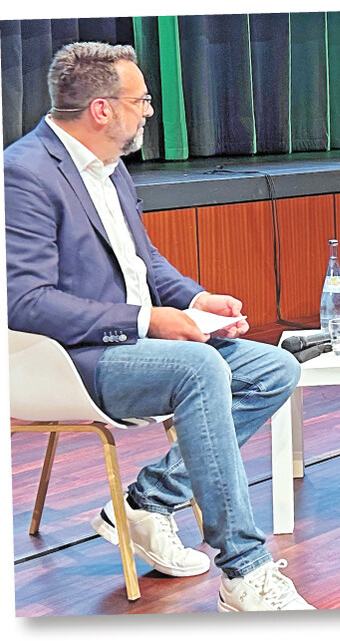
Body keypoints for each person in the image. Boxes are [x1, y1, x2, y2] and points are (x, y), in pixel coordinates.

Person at [4, 42, 313, 612]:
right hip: (70, 360)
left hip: (133, 343)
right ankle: (244, 573)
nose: (148, 111)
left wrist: (197, 299)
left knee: (275, 367)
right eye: (140, 100)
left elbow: (141, 259)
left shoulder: (109, 166)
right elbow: (23, 303)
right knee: (196, 368)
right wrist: (147, 319)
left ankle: (148, 501)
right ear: (102, 109)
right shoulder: (22, 173)